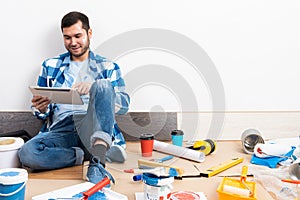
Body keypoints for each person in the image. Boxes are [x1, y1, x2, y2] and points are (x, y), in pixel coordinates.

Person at [18, 11, 130, 184]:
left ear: (89, 33)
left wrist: (95, 88)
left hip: (92, 125)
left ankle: (98, 162)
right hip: (62, 128)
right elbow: (40, 112)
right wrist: (41, 108)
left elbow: (124, 106)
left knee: (103, 85)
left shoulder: (108, 66)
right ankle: (86, 153)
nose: (73, 42)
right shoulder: (50, 65)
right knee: (27, 153)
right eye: (67, 37)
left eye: (78, 36)